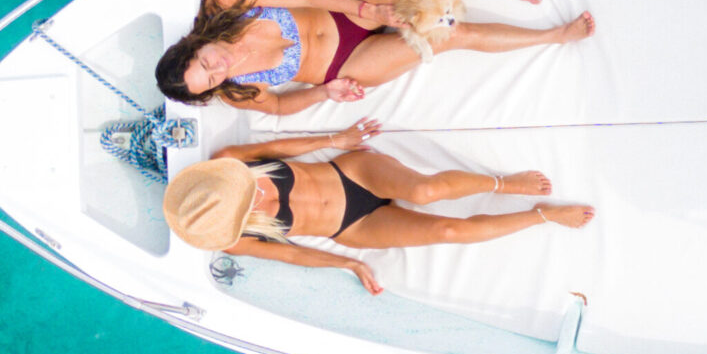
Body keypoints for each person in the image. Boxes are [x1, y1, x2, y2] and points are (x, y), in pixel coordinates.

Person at [162, 120, 594, 293]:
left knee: (424, 192)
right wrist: (347, 264)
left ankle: (502, 183)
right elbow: (292, 253)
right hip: (352, 227)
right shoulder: (236, 241)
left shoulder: (228, 159)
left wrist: (336, 140)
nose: (253, 199)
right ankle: (544, 215)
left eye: (243, 193)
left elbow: (277, 145)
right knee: (448, 233)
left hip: (353, 173)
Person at [154, 0, 593, 116]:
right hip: (346, 63)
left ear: (192, 45)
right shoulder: (236, 92)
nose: (221, 70)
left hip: (336, 7)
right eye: (212, 81)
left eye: (206, 64)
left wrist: (367, 10)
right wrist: (327, 92)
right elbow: (282, 106)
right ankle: (554, 36)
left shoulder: (223, 3)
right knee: (445, 36)